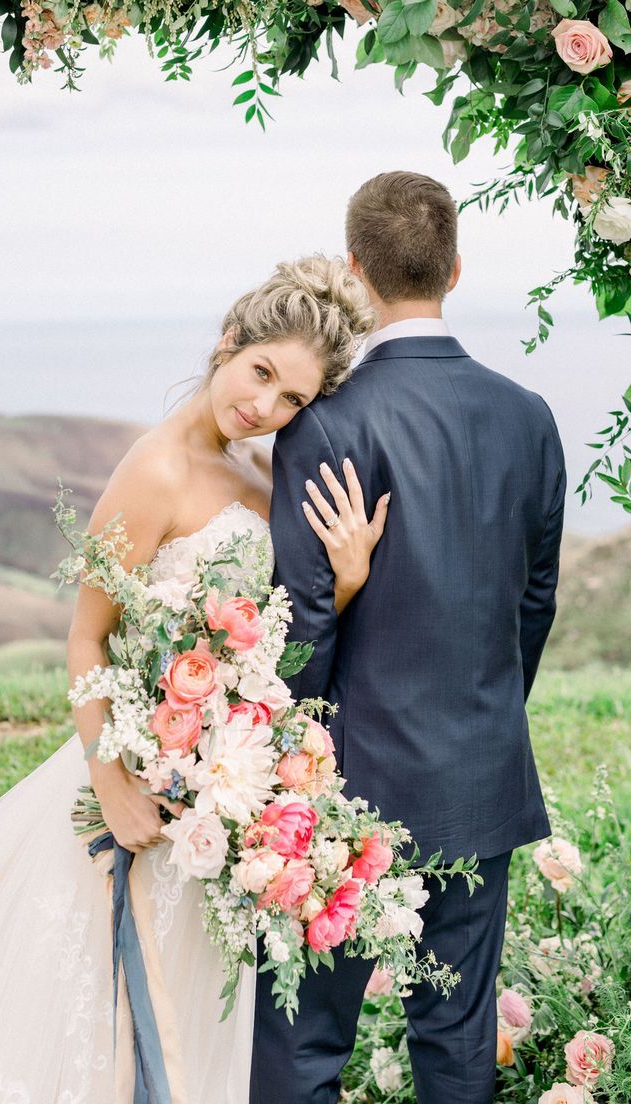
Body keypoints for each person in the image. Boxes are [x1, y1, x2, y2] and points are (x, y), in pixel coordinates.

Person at [0, 255, 388, 1103]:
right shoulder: (156, 467)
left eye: (291, 399)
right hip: (134, 780)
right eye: (261, 372)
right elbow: (87, 639)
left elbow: (271, 631)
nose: (264, 406)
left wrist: (343, 584)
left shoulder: (263, 472)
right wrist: (112, 781)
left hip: (216, 788)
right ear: (229, 341)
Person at [250, 171, 567, 1104]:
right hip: (480, 768)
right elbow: (534, 603)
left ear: (356, 271)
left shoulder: (325, 424)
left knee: (308, 1041)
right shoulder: (529, 417)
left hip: (349, 789)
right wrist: (486, 711)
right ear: (457, 270)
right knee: (457, 1040)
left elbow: (298, 637)